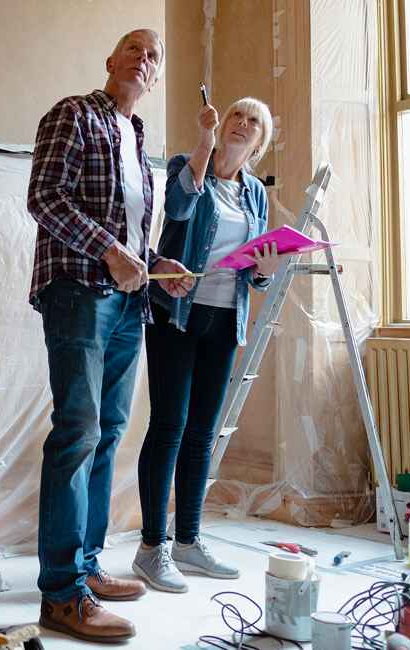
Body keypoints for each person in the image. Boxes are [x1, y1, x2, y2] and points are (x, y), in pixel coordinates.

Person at [26, 28, 195, 642]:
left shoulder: (138, 137)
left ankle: (86, 568)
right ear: (110, 61)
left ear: (154, 78)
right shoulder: (74, 114)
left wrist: (156, 264)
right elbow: (44, 197)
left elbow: (128, 233)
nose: (144, 59)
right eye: (134, 48)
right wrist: (112, 251)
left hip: (128, 303)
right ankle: (61, 595)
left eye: (153, 56)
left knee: (109, 433)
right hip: (76, 291)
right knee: (78, 431)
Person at [131, 97, 280, 593]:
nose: (242, 123)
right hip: (177, 313)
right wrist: (204, 143)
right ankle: (153, 548)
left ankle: (189, 541)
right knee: (169, 426)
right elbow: (177, 207)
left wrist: (263, 271)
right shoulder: (186, 166)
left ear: (261, 140)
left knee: (202, 434)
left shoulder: (256, 193)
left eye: (253, 121)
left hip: (224, 319)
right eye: (237, 114)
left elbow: (254, 276)